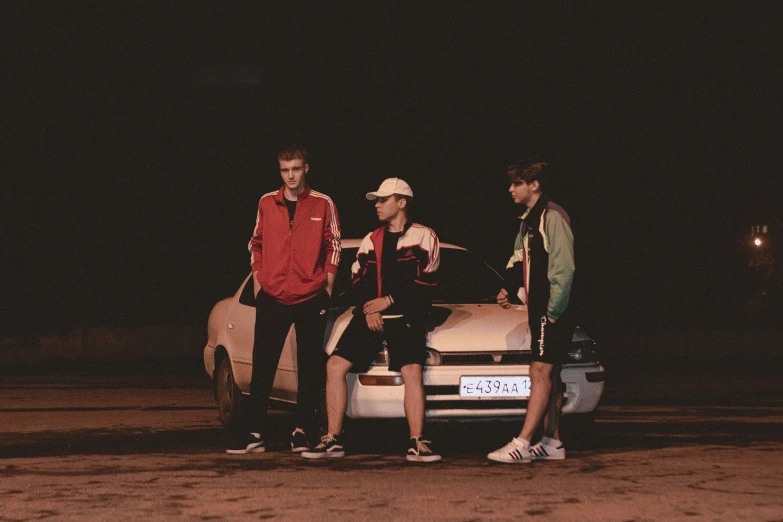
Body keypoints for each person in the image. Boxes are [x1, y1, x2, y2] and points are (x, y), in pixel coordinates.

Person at [302, 178, 441, 462]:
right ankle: (333, 439)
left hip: (404, 315)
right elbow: (358, 280)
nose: (376, 205)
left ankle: (417, 441)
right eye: (376, 200)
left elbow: (425, 282)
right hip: (370, 315)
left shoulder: (424, 236)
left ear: (401, 203)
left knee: (411, 371)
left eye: (383, 200)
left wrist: (389, 302)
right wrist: (370, 309)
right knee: (335, 365)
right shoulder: (371, 239)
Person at [227, 144, 341, 454]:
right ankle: (253, 434)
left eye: (295, 169)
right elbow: (256, 243)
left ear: (306, 169)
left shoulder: (322, 203)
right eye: (284, 170)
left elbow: (334, 245)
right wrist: (258, 281)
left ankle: (302, 431)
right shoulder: (267, 202)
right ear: (280, 171)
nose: (290, 176)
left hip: (311, 295)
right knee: (263, 366)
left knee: (310, 367)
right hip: (273, 295)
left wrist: (327, 284)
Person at [487, 159, 576, 463]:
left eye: (516, 183)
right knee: (550, 374)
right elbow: (517, 259)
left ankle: (522, 443)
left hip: (551, 309)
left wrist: (552, 312)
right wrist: (507, 288)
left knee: (539, 372)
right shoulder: (528, 220)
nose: (511, 189)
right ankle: (552, 442)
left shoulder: (552, 217)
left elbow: (564, 269)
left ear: (534, 185)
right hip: (540, 308)